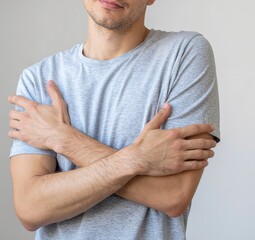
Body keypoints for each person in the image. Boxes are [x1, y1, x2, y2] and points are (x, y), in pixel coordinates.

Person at [8, 0, 220, 239]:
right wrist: (139, 158)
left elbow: (173, 196)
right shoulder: (38, 78)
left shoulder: (184, 53)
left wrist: (64, 139)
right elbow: (30, 208)